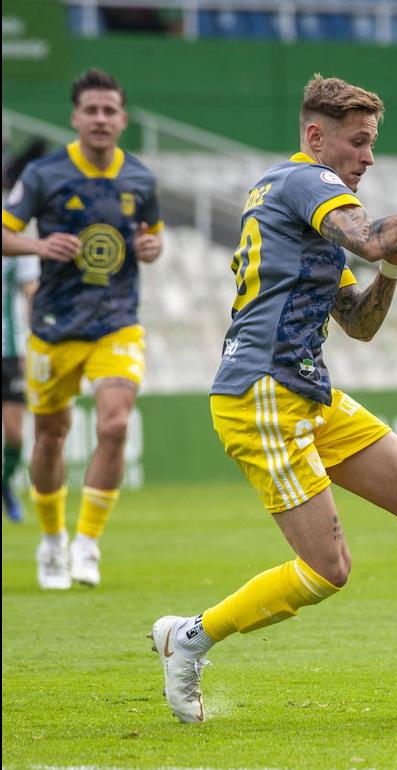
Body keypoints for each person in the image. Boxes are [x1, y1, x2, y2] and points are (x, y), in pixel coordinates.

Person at [148, 75, 397, 723]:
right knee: (327, 569)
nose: (369, 157)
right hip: (261, 393)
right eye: (359, 142)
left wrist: (394, 263)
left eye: (373, 144)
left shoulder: (304, 219)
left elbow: (360, 322)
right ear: (316, 137)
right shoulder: (307, 181)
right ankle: (188, 637)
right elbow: (371, 237)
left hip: (305, 389)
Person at [1, 69, 164, 590]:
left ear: (122, 119)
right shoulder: (45, 175)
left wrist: (151, 248)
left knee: (114, 424)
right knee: (50, 436)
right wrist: (37, 246)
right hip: (53, 327)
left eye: (108, 110)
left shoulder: (140, 179)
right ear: (75, 117)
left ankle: (87, 543)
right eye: (90, 110)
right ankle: (52, 541)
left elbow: (153, 239)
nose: (99, 119)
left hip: (117, 322)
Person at [2, 254, 39, 522]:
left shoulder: (17, 250)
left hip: (11, 355)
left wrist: (37, 340)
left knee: (15, 434)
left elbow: (31, 295)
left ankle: (4, 485)